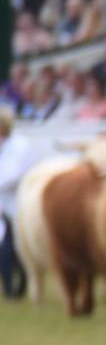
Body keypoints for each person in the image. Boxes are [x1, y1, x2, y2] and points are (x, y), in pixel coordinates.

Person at [0, 112, 34, 299]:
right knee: (7, 246)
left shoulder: (20, 146)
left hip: (18, 204)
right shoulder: (6, 146)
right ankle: (10, 289)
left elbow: (13, 175)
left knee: (17, 247)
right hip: (6, 206)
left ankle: (17, 287)